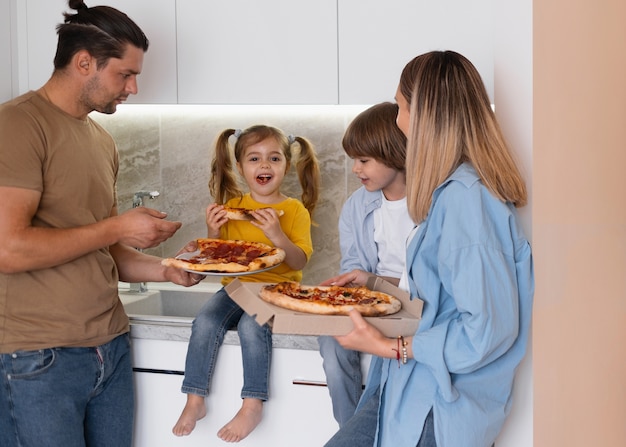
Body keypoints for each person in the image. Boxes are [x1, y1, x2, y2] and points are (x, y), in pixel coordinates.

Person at [0, 2, 202, 446]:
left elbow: (102, 247)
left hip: (109, 347)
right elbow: (9, 250)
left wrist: (165, 269)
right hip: (38, 356)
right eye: (125, 74)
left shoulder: (100, 140)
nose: (132, 87)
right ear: (84, 62)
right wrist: (117, 227)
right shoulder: (18, 124)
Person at [325, 50, 534, 447]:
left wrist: (389, 346)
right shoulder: (451, 194)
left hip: (439, 404)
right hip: (411, 389)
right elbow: (446, 299)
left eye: (401, 106)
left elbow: (487, 329)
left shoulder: (466, 201)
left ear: (424, 115)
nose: (398, 119)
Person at [172, 125, 321, 442]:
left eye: (274, 158)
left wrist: (277, 234)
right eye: (254, 158)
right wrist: (212, 234)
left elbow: (299, 262)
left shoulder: (293, 210)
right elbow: (217, 259)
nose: (264, 165)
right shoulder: (232, 208)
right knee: (205, 321)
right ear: (240, 167)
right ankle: (195, 399)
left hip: (275, 290)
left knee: (252, 328)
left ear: (286, 166)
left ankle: (252, 403)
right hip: (234, 288)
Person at [317, 102, 414, 427]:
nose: (356, 169)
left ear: (394, 153)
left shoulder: (429, 202)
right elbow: (354, 268)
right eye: (353, 161)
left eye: (364, 160)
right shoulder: (357, 206)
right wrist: (357, 283)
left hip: (420, 307)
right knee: (331, 342)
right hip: (376, 301)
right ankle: (350, 429)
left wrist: (372, 279)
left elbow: (432, 280)